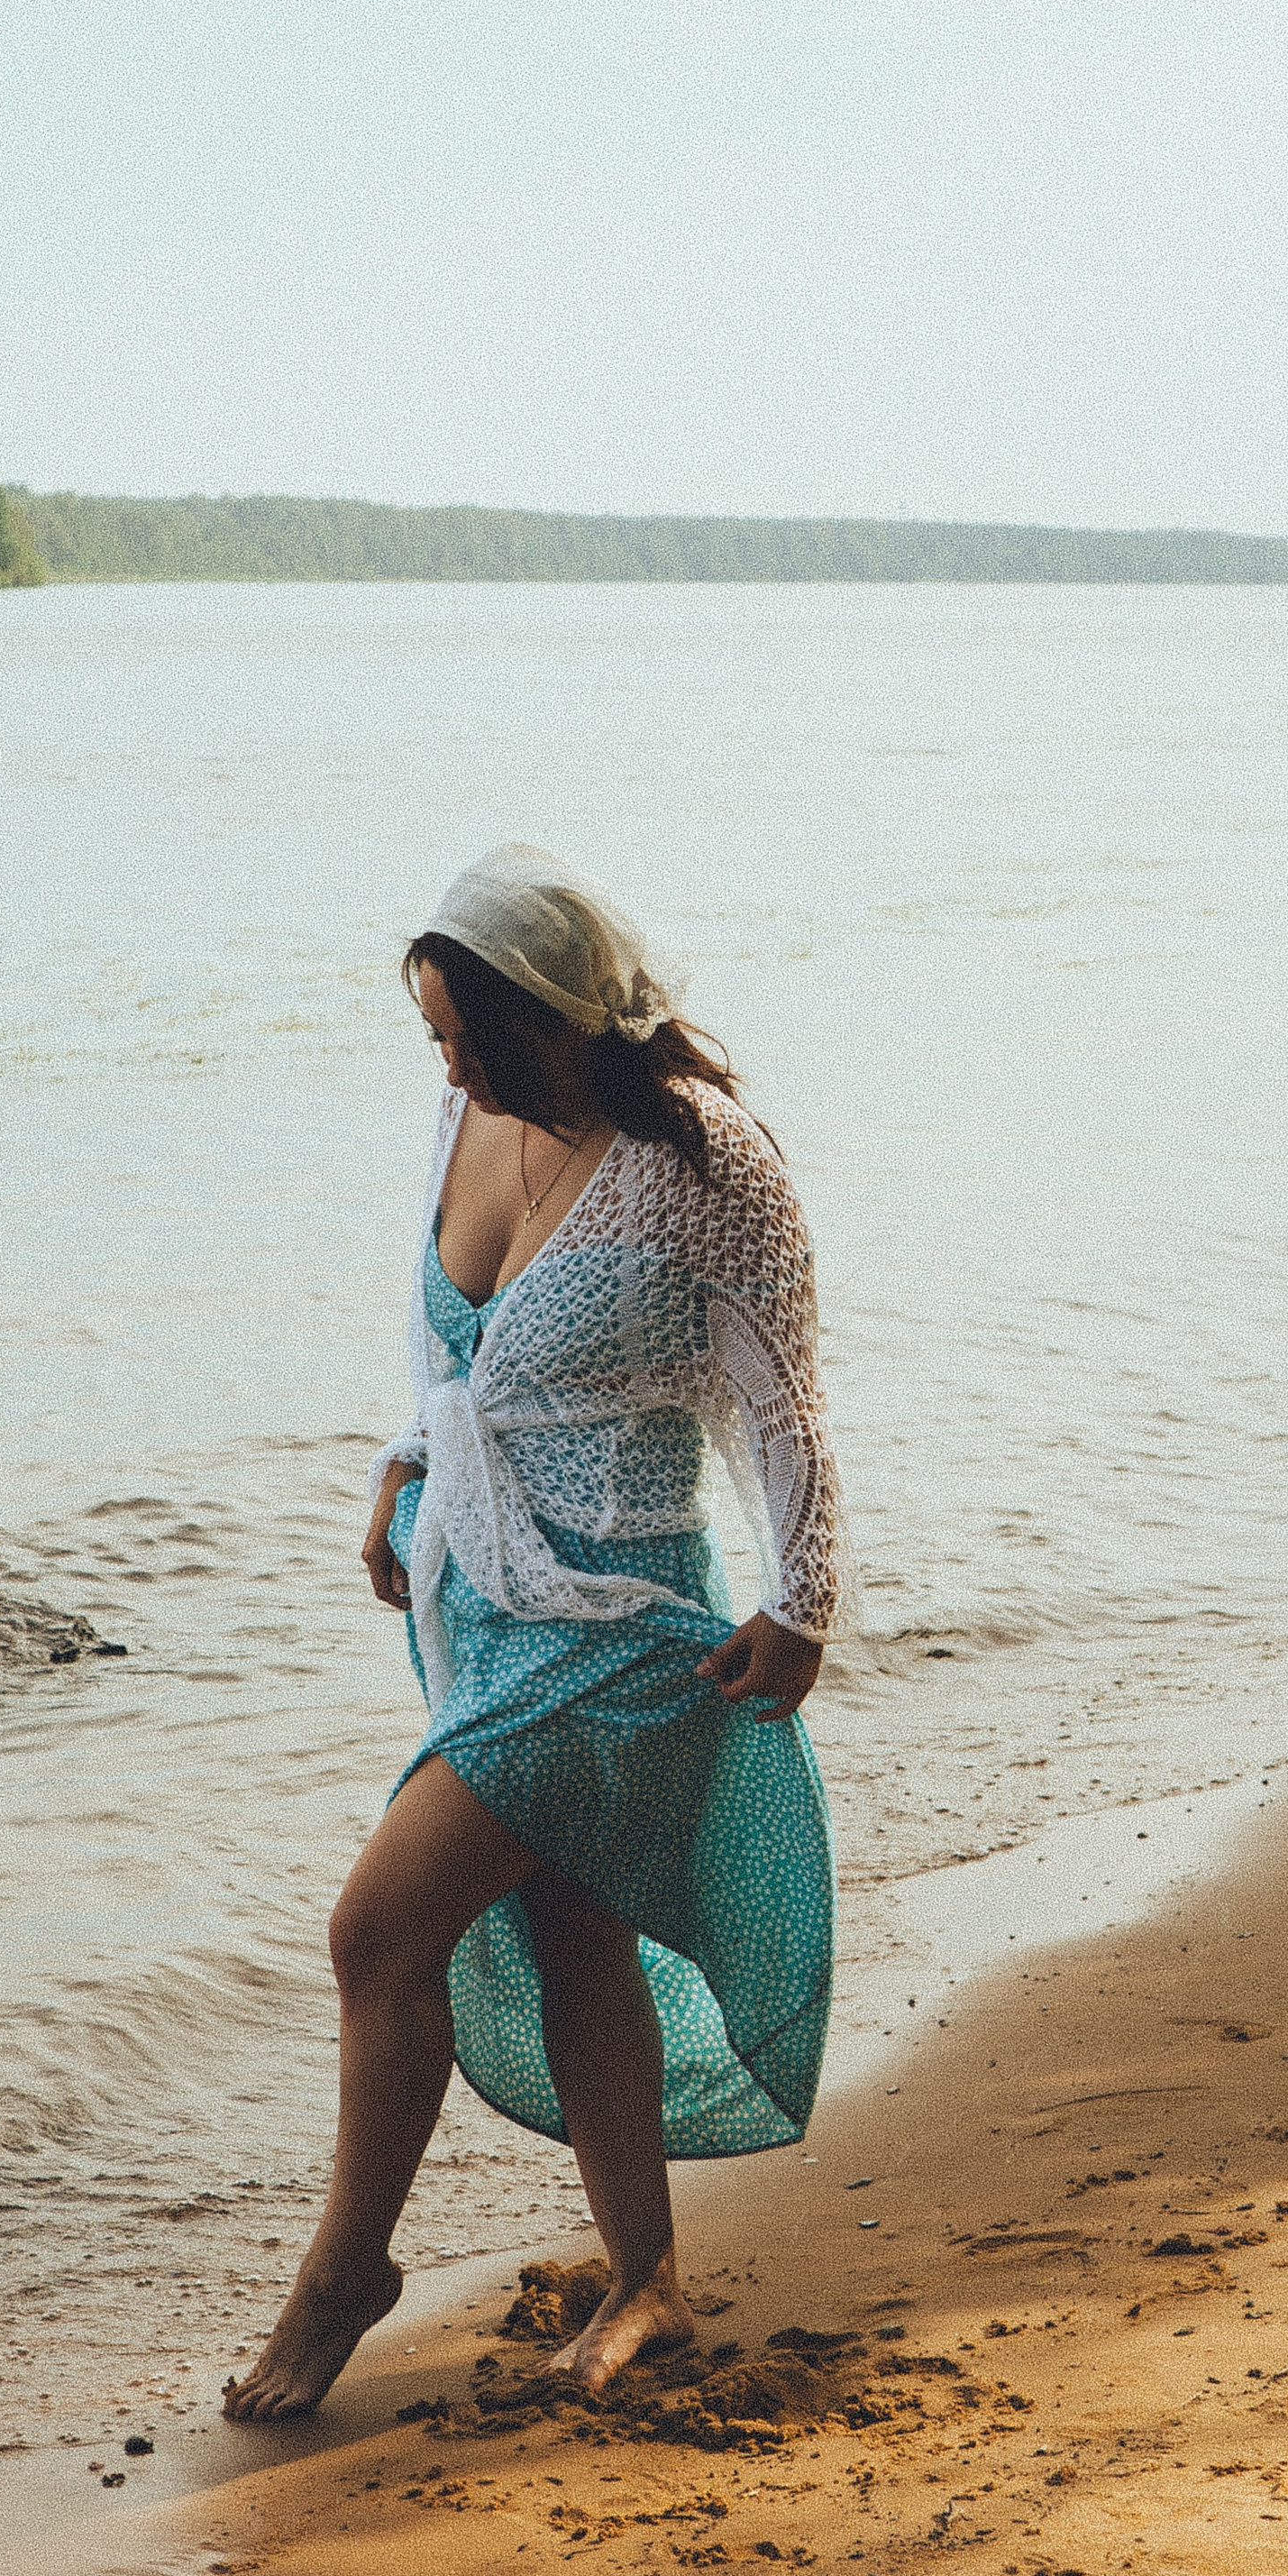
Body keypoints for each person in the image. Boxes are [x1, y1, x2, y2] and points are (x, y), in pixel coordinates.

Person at [224, 844, 845, 2421]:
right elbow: (465, 1360)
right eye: (432, 1036)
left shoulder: (709, 1164)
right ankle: (650, 2282)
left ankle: (342, 2275)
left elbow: (787, 1408)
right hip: (479, 1612)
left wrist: (806, 1601)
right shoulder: (469, 1112)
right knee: (574, 1936)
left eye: (463, 1034)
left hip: (621, 1630)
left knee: (375, 1933)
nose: (445, 1065)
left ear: (554, 1013)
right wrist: (405, 1465)